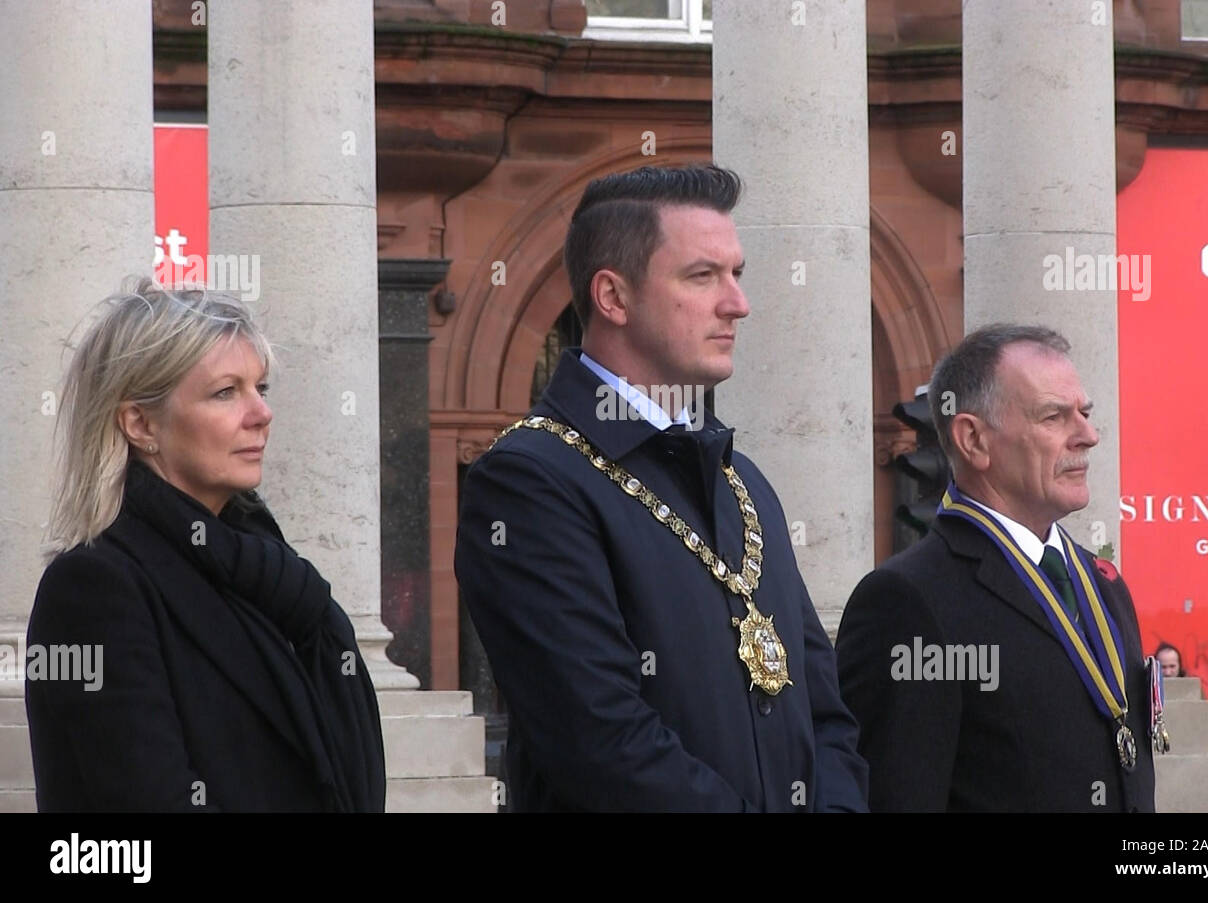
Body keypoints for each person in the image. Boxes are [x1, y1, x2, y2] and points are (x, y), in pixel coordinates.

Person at [454, 164, 870, 811]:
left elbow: (825, 713)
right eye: (702, 276)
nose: (738, 302)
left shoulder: (744, 484)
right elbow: (601, 743)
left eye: (736, 274)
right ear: (614, 298)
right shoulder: (529, 480)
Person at [25, 278, 385, 812]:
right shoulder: (95, 588)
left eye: (260, 389)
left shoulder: (272, 577)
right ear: (140, 423)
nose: (261, 414)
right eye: (225, 392)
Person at [836, 324, 1156, 812]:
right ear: (973, 440)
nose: (1088, 436)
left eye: (1085, 414)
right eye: (1054, 417)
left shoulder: (1102, 583)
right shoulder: (909, 601)